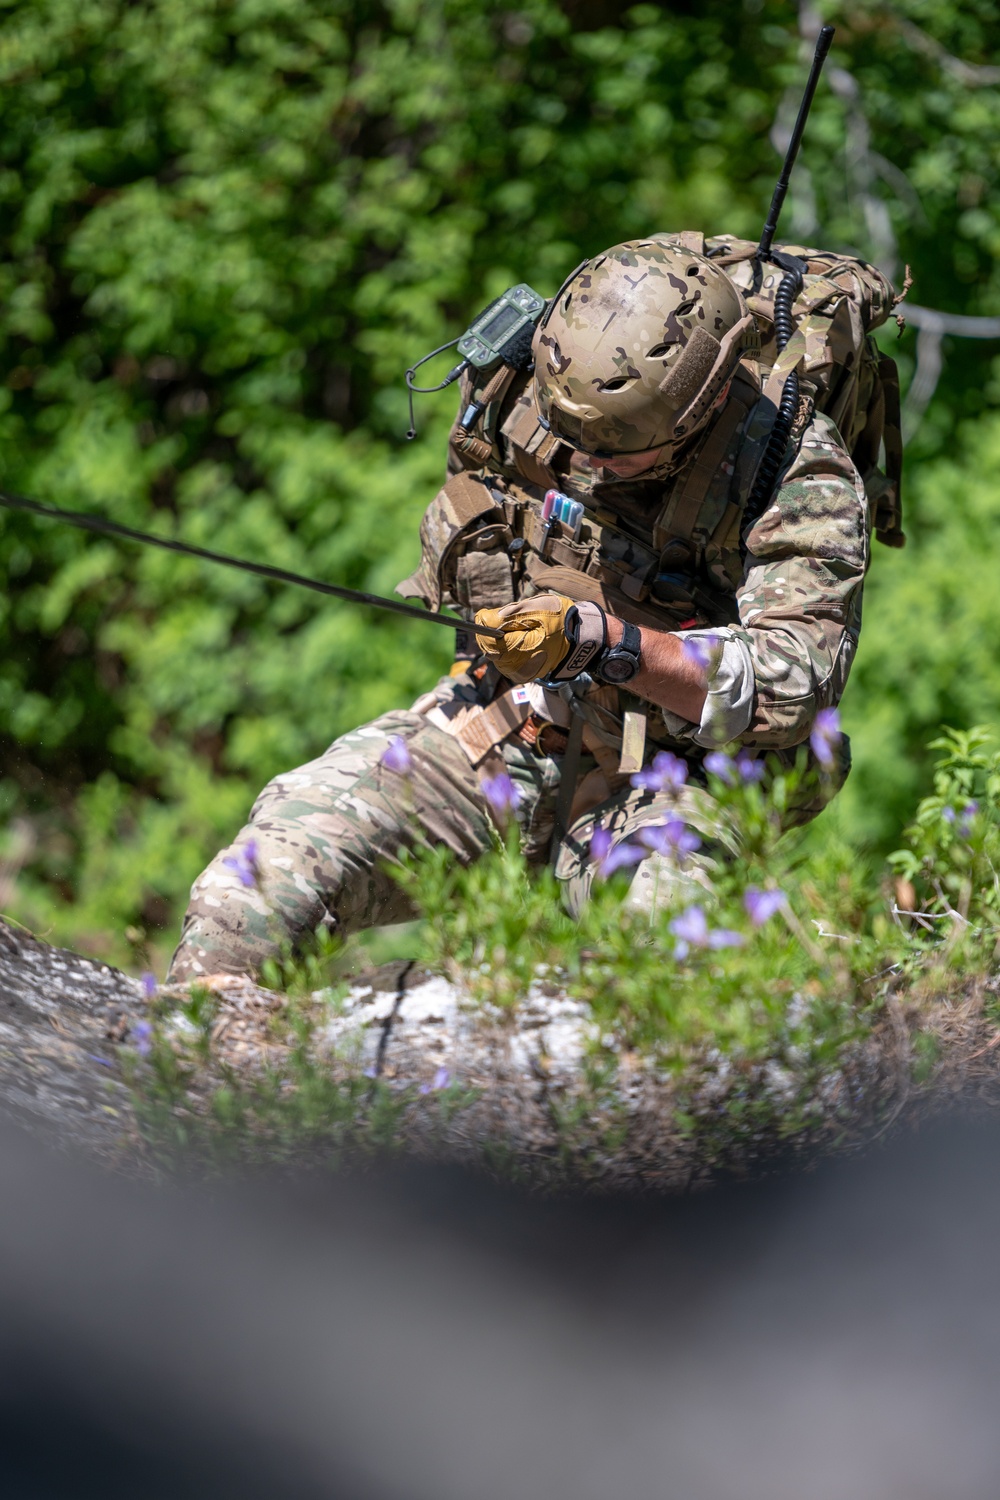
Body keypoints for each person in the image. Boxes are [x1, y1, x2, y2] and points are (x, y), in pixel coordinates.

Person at [167, 235, 874, 984]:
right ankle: (218, 1068)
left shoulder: (795, 471)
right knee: (251, 889)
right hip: (502, 733)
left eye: (615, 450)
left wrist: (607, 643)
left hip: (671, 785)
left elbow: (791, 682)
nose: (583, 456)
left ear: (696, 415)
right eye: (568, 430)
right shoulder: (534, 385)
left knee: (671, 972)